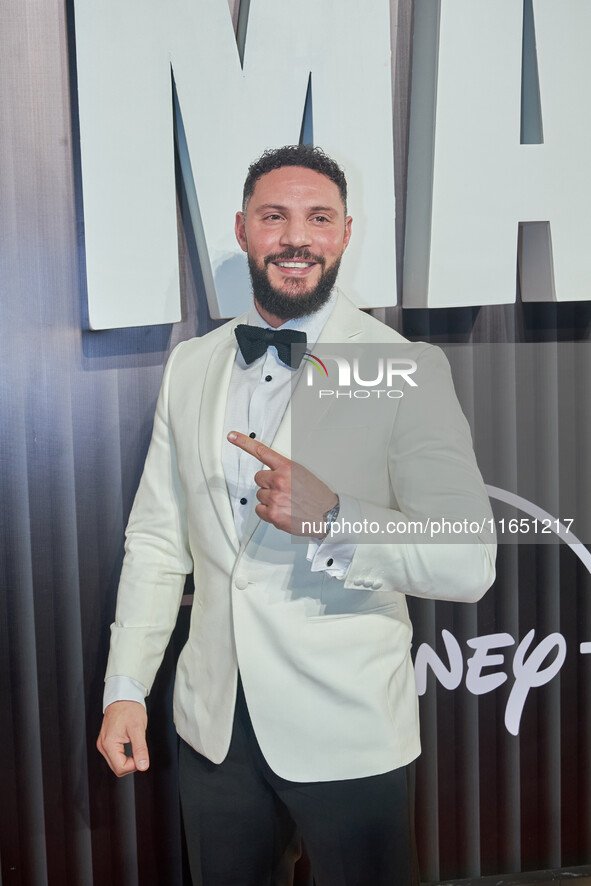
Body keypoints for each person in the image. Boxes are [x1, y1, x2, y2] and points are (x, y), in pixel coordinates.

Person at [97, 144, 496, 885]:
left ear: (345, 233)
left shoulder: (401, 365)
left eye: (317, 218)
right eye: (273, 217)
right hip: (213, 727)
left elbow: (469, 560)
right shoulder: (191, 365)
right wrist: (126, 689)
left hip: (345, 727)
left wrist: (336, 518)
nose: (295, 238)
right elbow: (157, 542)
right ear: (243, 230)